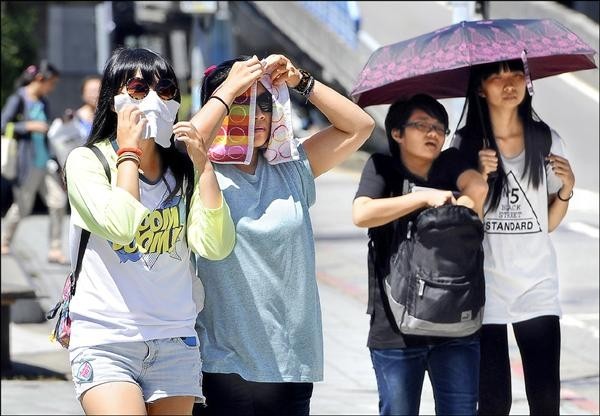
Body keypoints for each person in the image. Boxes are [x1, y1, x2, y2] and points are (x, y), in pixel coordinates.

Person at [62, 47, 258, 415]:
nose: (154, 100)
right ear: (112, 98)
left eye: (165, 89)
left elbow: (214, 245)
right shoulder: (86, 162)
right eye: (137, 89)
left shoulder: (180, 170)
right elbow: (121, 227)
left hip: (175, 337)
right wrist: (129, 152)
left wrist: (205, 167)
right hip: (106, 338)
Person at [192, 53, 374, 416]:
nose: (258, 114)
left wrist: (300, 80)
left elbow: (360, 126)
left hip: (291, 362)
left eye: (265, 102)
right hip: (224, 364)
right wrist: (230, 86)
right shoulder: (197, 172)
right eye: (242, 102)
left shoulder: (290, 167)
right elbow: (191, 139)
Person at [352, 94, 488, 415]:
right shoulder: (382, 166)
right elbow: (361, 214)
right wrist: (423, 199)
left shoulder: (451, 162)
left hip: (456, 324)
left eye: (439, 128)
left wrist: (462, 192)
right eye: (421, 125)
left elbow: (477, 191)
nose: (433, 134)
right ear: (397, 133)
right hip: (394, 330)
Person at [452, 59, 574, 415]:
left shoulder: (546, 140)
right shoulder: (464, 145)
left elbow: (546, 223)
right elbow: (461, 220)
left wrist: (566, 188)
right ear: (479, 88)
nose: (509, 84)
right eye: (498, 76)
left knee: (546, 399)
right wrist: (479, 176)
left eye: (517, 75)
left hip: (537, 285)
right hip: (484, 288)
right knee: (493, 401)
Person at [0, 60, 69, 263]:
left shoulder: (43, 102)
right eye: (52, 83)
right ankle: (4, 240)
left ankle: (55, 249)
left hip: (44, 162)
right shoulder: (18, 99)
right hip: (26, 163)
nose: (52, 88)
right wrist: (28, 126)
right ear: (41, 79)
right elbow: (3, 126)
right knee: (22, 206)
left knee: (58, 201)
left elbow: (46, 129)